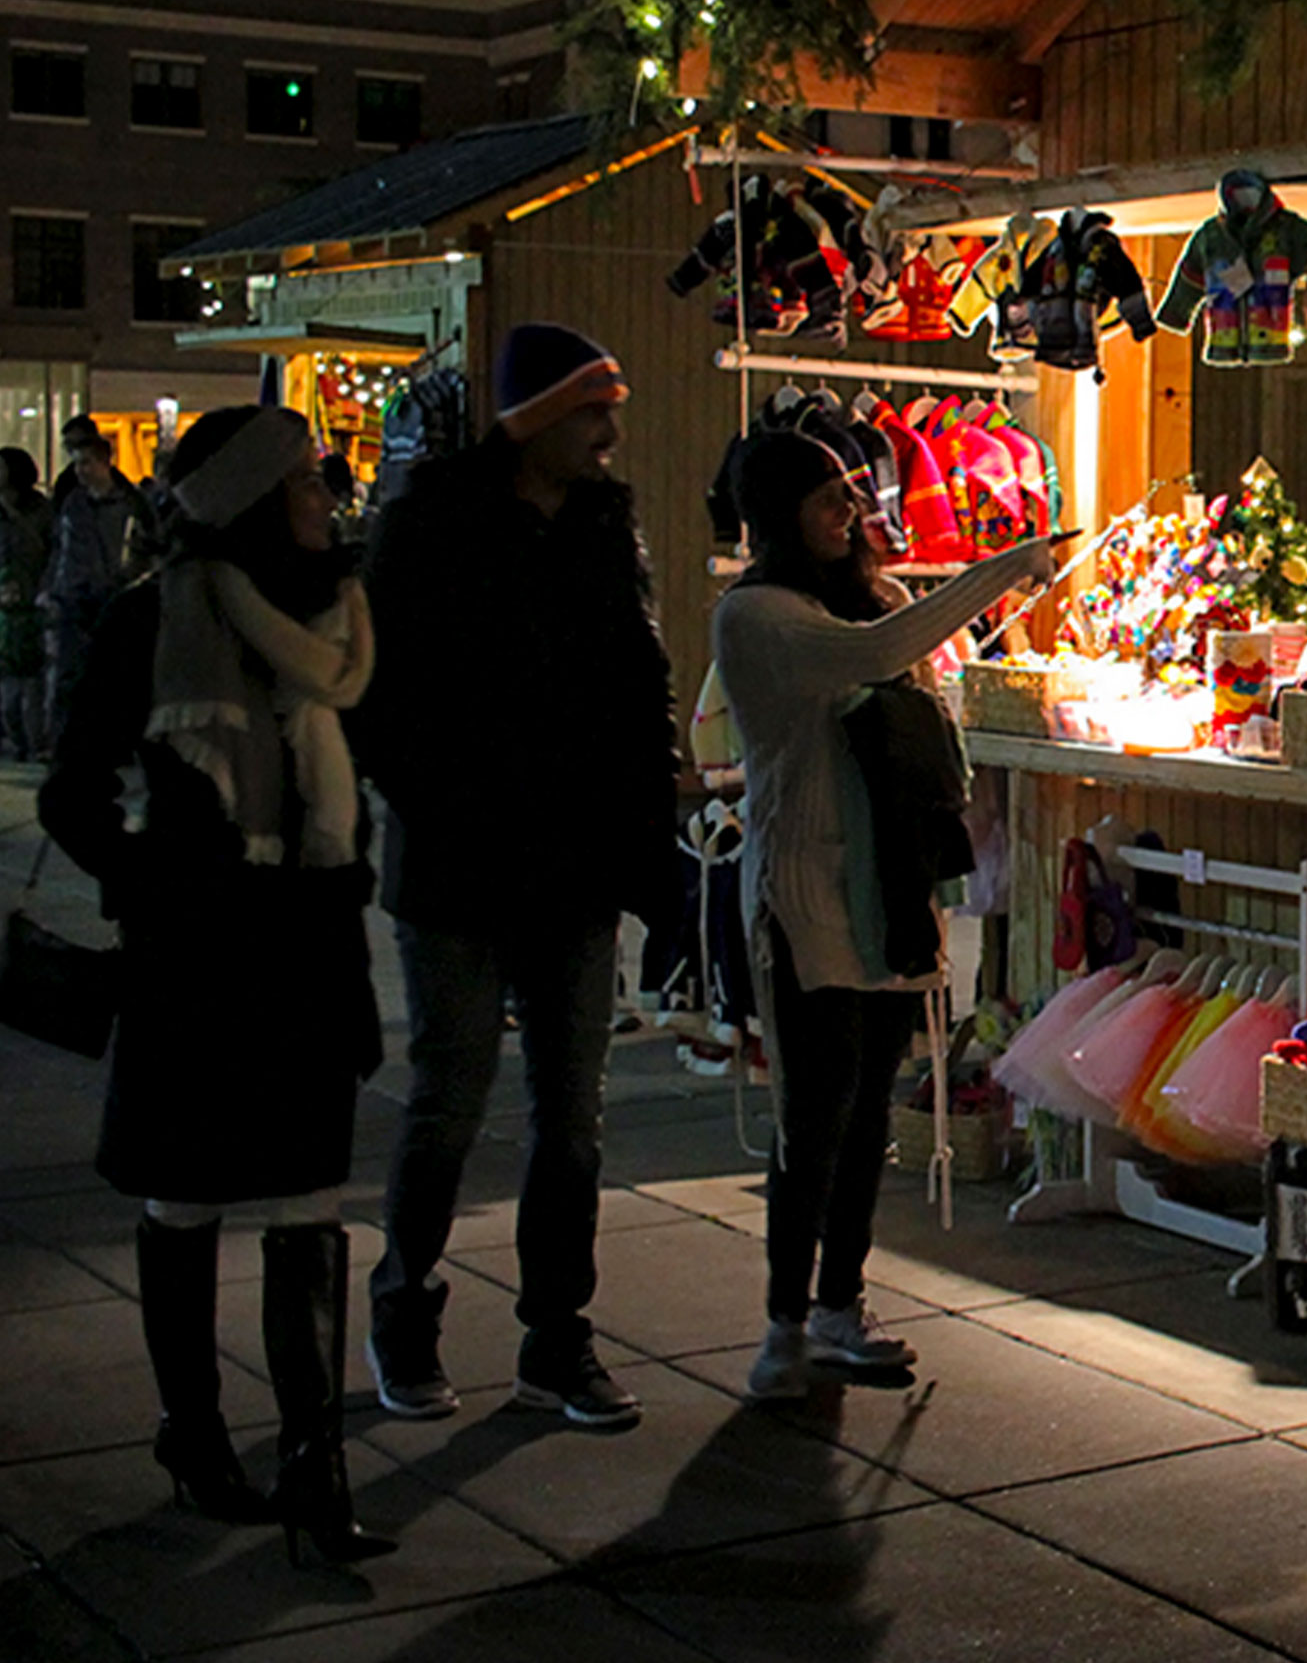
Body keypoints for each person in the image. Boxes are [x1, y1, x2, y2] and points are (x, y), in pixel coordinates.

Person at [40, 406, 392, 1567]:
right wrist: (164, 875)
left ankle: (314, 1468)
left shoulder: (335, 617)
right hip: (195, 961)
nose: (324, 492)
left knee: (309, 1204)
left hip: (303, 952)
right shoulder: (154, 617)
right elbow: (71, 797)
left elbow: (371, 761)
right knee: (184, 1201)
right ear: (244, 495)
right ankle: (193, 1436)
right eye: (302, 477)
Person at [354, 323, 681, 1430]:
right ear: (539, 416)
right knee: (448, 1099)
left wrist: (645, 809)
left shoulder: (602, 523)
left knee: (571, 1118)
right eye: (593, 410)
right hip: (458, 862)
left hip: (574, 865)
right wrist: (443, 798)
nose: (611, 432)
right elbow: (379, 699)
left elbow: (639, 673)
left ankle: (557, 1337)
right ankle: (404, 1310)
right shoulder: (432, 522)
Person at [710, 432, 1049, 1398]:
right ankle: (783, 1321)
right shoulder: (757, 617)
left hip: (890, 888)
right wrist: (1002, 571)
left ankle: (838, 1303)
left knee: (867, 1113)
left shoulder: (883, 598)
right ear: (777, 516)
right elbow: (876, 657)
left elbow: (914, 688)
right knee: (811, 1114)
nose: (846, 514)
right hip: (806, 893)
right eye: (825, 499)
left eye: (849, 495)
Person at [42, 426, 155, 750]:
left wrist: (132, 576)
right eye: (78, 464)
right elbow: (60, 547)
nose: (81, 471)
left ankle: (112, 741)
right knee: (70, 675)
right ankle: (68, 741)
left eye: (87, 463)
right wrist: (54, 586)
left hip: (113, 594)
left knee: (114, 674)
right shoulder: (75, 503)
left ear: (105, 462)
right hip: (75, 596)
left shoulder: (132, 502)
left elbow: (149, 544)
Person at [0, 447, 53, 757]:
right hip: (7, 606)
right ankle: (19, 738)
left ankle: (35, 741)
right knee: (9, 688)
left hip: (33, 602)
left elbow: (46, 549)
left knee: (32, 680)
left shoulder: (39, 512)